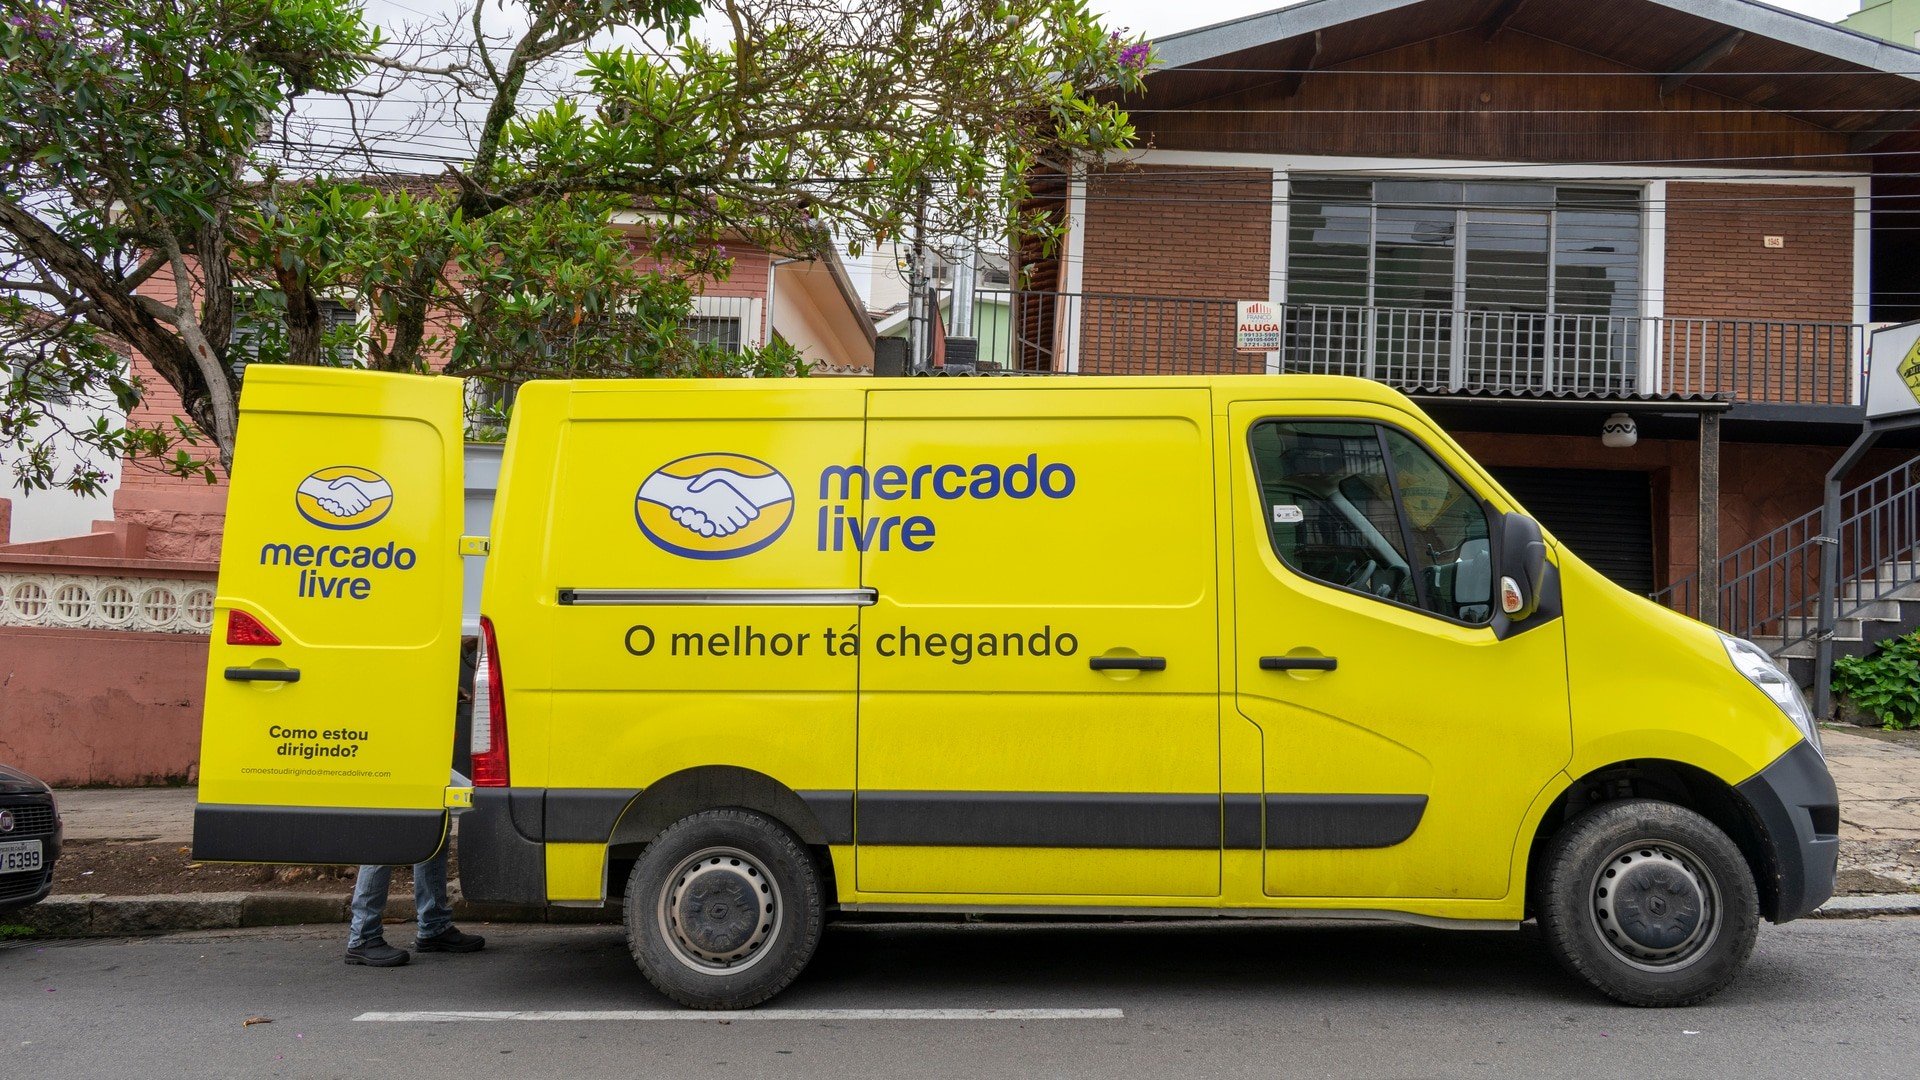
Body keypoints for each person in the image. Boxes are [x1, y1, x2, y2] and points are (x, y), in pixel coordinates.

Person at [344, 639, 487, 967]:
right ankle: (362, 936)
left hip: (417, 741)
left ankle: (434, 925)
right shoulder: (406, 629)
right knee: (384, 833)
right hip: (394, 742)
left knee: (434, 827)